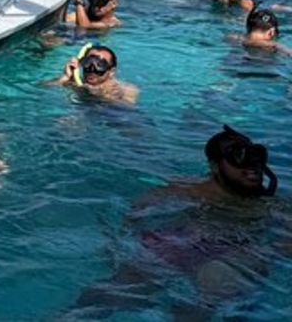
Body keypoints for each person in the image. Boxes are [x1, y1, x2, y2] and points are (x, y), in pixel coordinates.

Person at [74, 126, 282, 313]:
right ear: (215, 166)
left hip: (233, 254)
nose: (252, 167)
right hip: (180, 243)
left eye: (256, 159)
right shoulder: (187, 191)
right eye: (238, 158)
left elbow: (283, 247)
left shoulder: (272, 206)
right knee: (113, 292)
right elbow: (134, 216)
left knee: (208, 289)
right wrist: (119, 247)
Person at [50, 42, 139, 104]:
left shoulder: (126, 90)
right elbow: (45, 90)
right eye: (88, 62)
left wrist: (96, 93)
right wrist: (65, 77)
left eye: (100, 65)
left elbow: (125, 111)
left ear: (111, 72)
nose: (92, 69)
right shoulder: (75, 82)